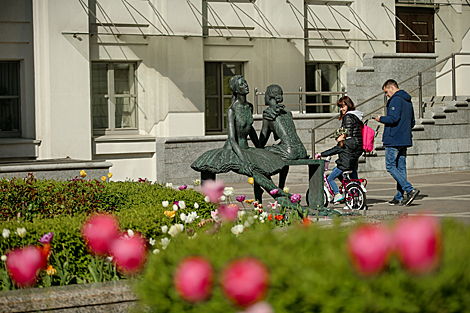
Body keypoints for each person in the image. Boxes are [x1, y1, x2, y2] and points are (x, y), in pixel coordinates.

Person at [191, 75, 289, 201]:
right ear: (236, 90)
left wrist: (260, 149)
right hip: (232, 150)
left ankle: (259, 204)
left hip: (246, 148)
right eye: (242, 84)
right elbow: (232, 139)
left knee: (262, 172)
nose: (246, 85)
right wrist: (243, 161)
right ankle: (207, 203)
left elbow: (250, 129)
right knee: (254, 171)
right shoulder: (232, 110)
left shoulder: (249, 107)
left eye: (246, 82)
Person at [374, 79, 420, 206]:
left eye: (386, 92)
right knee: (401, 167)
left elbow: (393, 118)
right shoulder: (408, 101)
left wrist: (380, 118)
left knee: (390, 166)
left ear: (392, 87)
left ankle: (410, 189)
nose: (386, 95)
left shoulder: (396, 99)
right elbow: (412, 122)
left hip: (394, 139)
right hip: (404, 139)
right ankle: (399, 196)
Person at [259, 84, 308, 188]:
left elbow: (262, 140)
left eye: (265, 94)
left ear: (269, 96)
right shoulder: (288, 112)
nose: (264, 97)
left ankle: (270, 185)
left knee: (261, 153)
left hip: (289, 151)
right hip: (301, 150)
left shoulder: (268, 113)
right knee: (282, 150)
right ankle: (281, 185)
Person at [316, 127, 360, 203]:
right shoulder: (353, 142)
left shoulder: (342, 144)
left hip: (343, 166)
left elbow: (332, 150)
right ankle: (348, 185)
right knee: (335, 171)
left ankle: (337, 194)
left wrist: (321, 154)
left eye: (337, 137)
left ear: (342, 135)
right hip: (353, 165)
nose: (336, 139)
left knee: (330, 178)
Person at [336, 96, 364, 179]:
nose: (341, 109)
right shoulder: (355, 116)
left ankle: (353, 189)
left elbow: (348, 133)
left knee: (339, 171)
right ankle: (355, 190)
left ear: (348, 105)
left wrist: (339, 137)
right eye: (340, 107)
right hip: (357, 146)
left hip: (351, 148)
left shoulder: (348, 116)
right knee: (353, 171)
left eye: (343, 106)